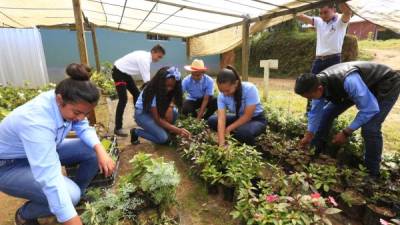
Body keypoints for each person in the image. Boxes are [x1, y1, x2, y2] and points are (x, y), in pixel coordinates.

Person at [0, 63, 116, 225]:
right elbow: (49, 177)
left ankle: (77, 195)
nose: (81, 118)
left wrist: (100, 150)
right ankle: (25, 214)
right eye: (76, 113)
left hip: (38, 150)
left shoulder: (65, 98)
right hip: (8, 166)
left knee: (90, 150)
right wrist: (71, 218)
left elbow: (82, 126)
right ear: (59, 100)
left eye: (86, 113)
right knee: (68, 195)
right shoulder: (36, 122)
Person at [295, 61, 400, 177]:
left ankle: (371, 174)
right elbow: (316, 112)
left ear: (319, 89)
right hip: (356, 87)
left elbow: (370, 109)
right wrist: (309, 134)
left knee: (370, 128)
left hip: (385, 83)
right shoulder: (317, 82)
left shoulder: (350, 81)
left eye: (310, 97)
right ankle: (314, 152)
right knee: (325, 115)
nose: (310, 99)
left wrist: (346, 132)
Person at [297, 3, 352, 111]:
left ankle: (329, 113)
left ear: (333, 9)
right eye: (321, 13)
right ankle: (310, 112)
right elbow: (300, 16)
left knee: (333, 87)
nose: (323, 15)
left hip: (333, 60)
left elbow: (348, 12)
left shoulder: (341, 20)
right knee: (310, 85)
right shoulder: (318, 21)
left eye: (325, 12)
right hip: (318, 60)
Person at [112, 44, 166, 137]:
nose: (159, 59)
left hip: (125, 73)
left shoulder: (145, 56)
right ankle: (118, 128)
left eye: (161, 58)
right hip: (118, 72)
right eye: (159, 56)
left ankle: (138, 117)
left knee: (136, 94)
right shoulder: (144, 59)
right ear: (153, 52)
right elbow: (148, 83)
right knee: (123, 99)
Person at [130, 66, 191, 145]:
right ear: (160, 82)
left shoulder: (170, 89)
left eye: (171, 86)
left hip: (154, 110)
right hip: (142, 114)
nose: (168, 89)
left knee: (174, 112)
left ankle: (161, 130)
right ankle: (136, 132)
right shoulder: (152, 92)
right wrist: (178, 130)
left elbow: (170, 104)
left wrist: (170, 107)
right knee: (163, 139)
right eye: (166, 86)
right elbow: (157, 119)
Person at [208, 66, 267, 146]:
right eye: (221, 91)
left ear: (236, 83)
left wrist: (229, 128)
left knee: (243, 133)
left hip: (256, 119)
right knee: (212, 120)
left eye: (227, 90)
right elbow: (221, 119)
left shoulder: (249, 89)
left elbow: (247, 116)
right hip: (239, 117)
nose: (224, 94)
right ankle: (235, 134)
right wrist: (221, 143)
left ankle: (245, 139)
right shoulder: (222, 95)